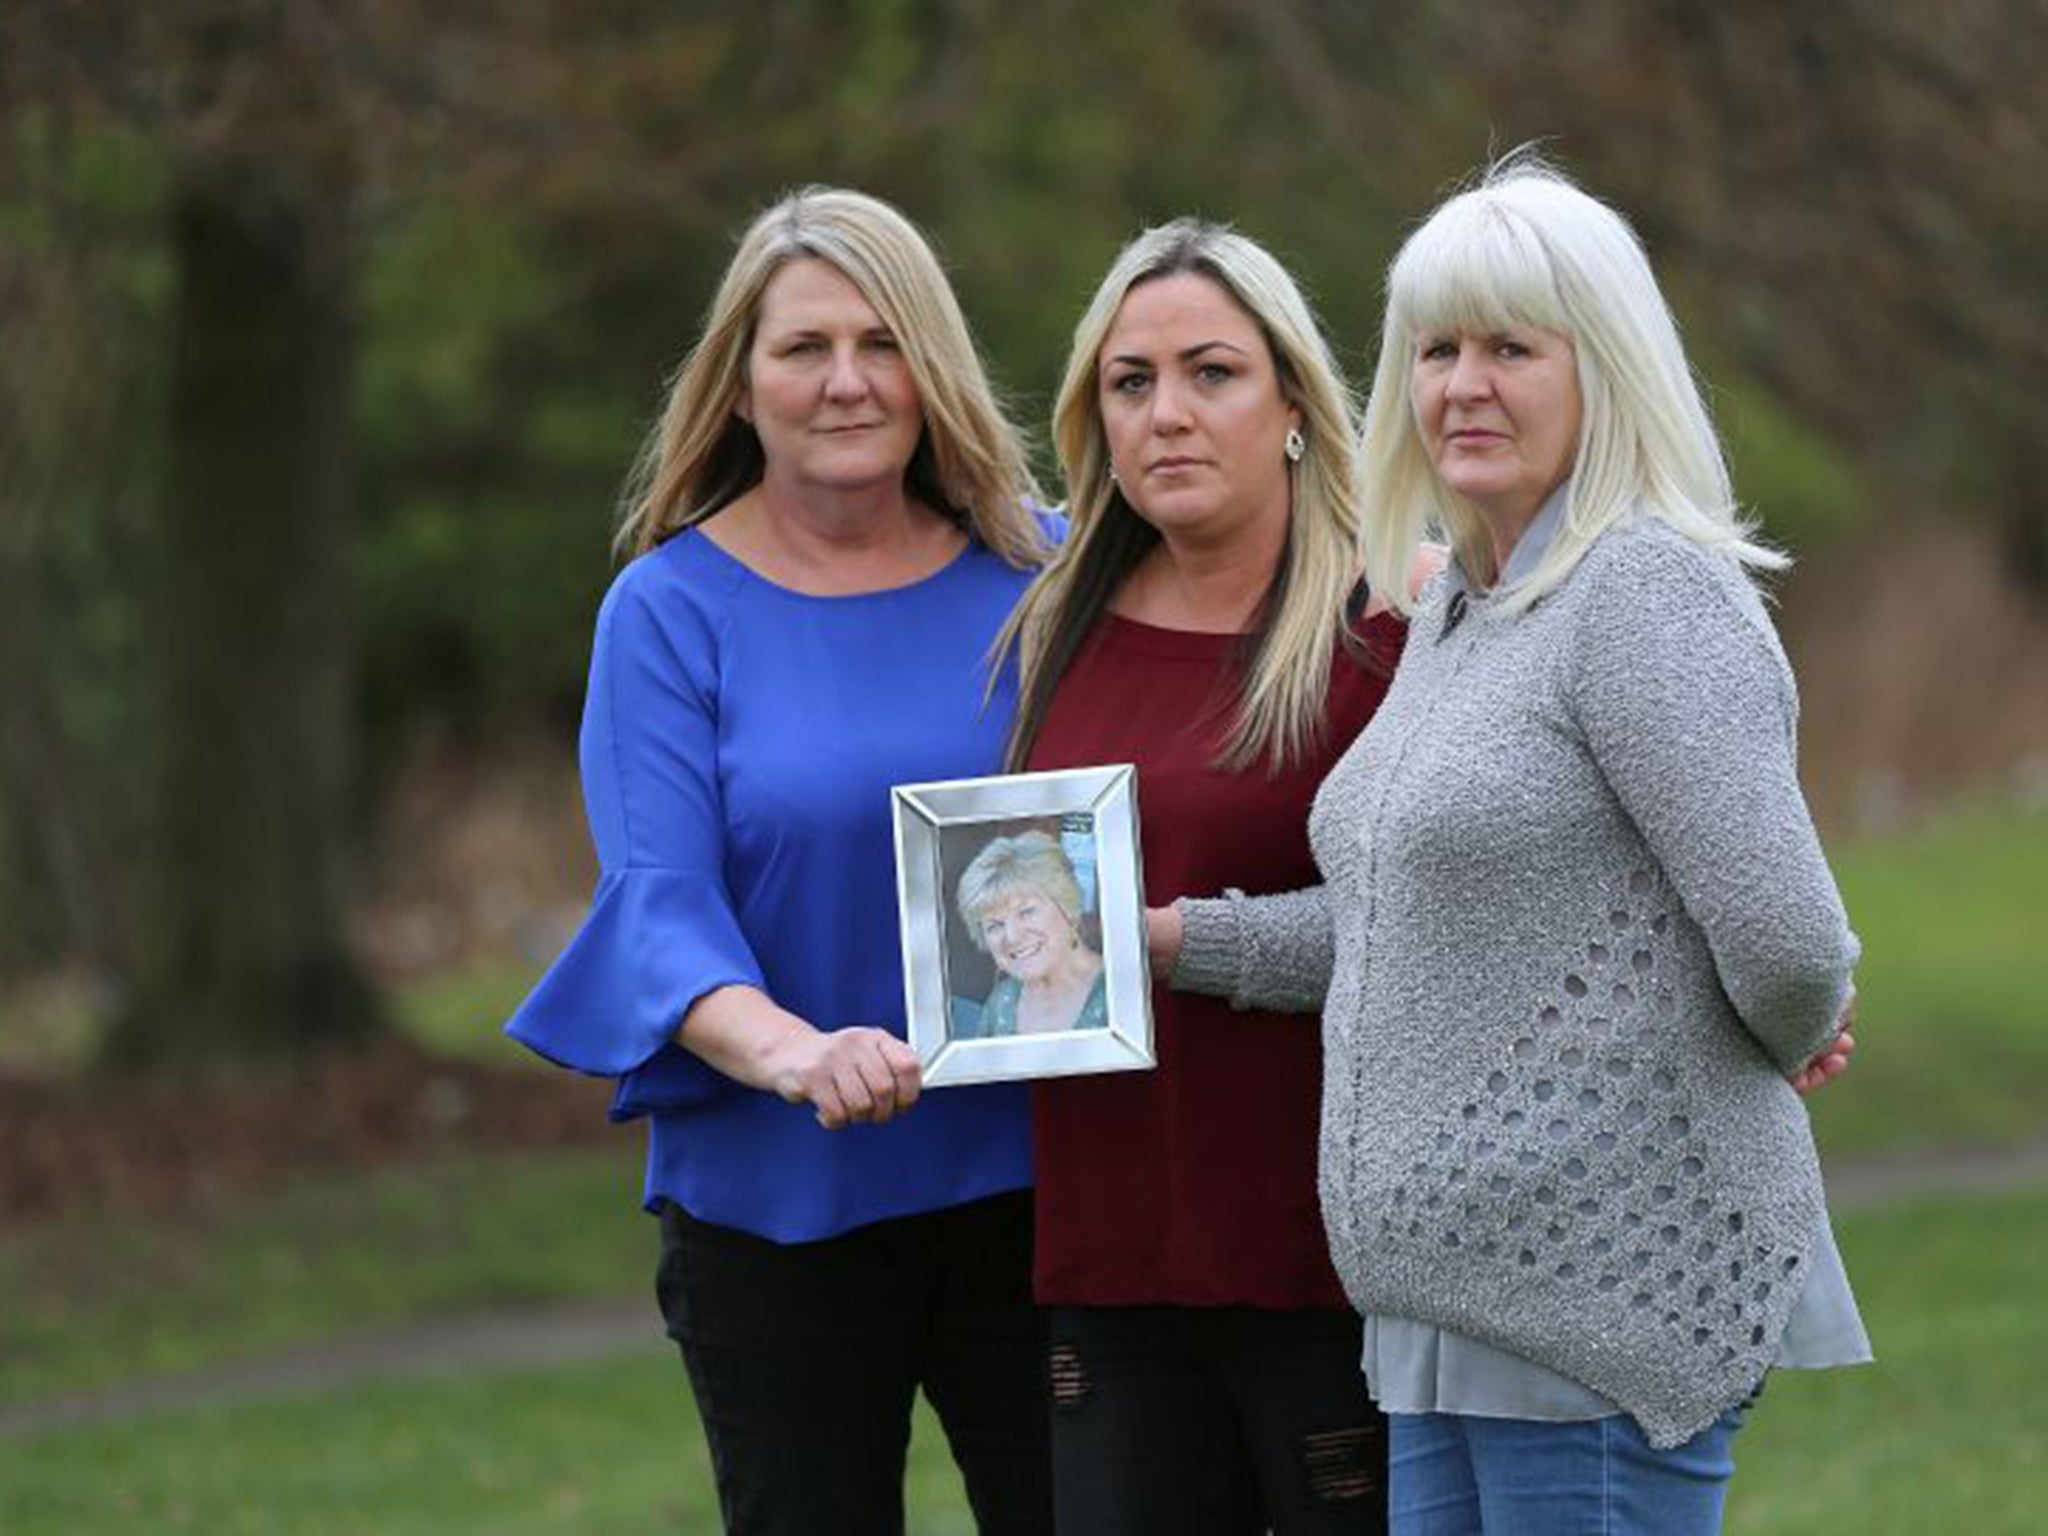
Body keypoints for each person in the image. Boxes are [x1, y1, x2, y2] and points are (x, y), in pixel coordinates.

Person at [1160, 156, 1871, 1533]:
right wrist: (1177, 942)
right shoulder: (1461, 614)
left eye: (1510, 348)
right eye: (1436, 350)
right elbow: (1404, 918)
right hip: (1445, 1312)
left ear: (1600, 370)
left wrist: (1801, 1024)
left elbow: (1784, 940)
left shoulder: (1645, 591)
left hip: (1593, 1298)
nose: (1461, 386)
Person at [505, 187, 1056, 1536]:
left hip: (1036, 1189)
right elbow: (659, 907)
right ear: (740, 386)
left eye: (883, 343)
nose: (849, 381)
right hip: (779, 1205)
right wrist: (795, 1054)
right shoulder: (669, 611)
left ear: (934, 371)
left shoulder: (1039, 565)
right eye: (805, 347)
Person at [997, 219, 1407, 1534]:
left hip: (1331, 1269)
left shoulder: (1388, 628)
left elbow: (1436, 929)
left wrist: (1167, 937)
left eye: (1211, 373)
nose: (1167, 412)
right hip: (1110, 1267)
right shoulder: (1050, 625)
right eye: (1131, 382)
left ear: (1291, 400)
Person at [954, 830, 1108, 1038]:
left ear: (1068, 907)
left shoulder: (1117, 990)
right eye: (995, 925)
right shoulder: (1002, 1001)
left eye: (1027, 912)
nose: (1012, 936)